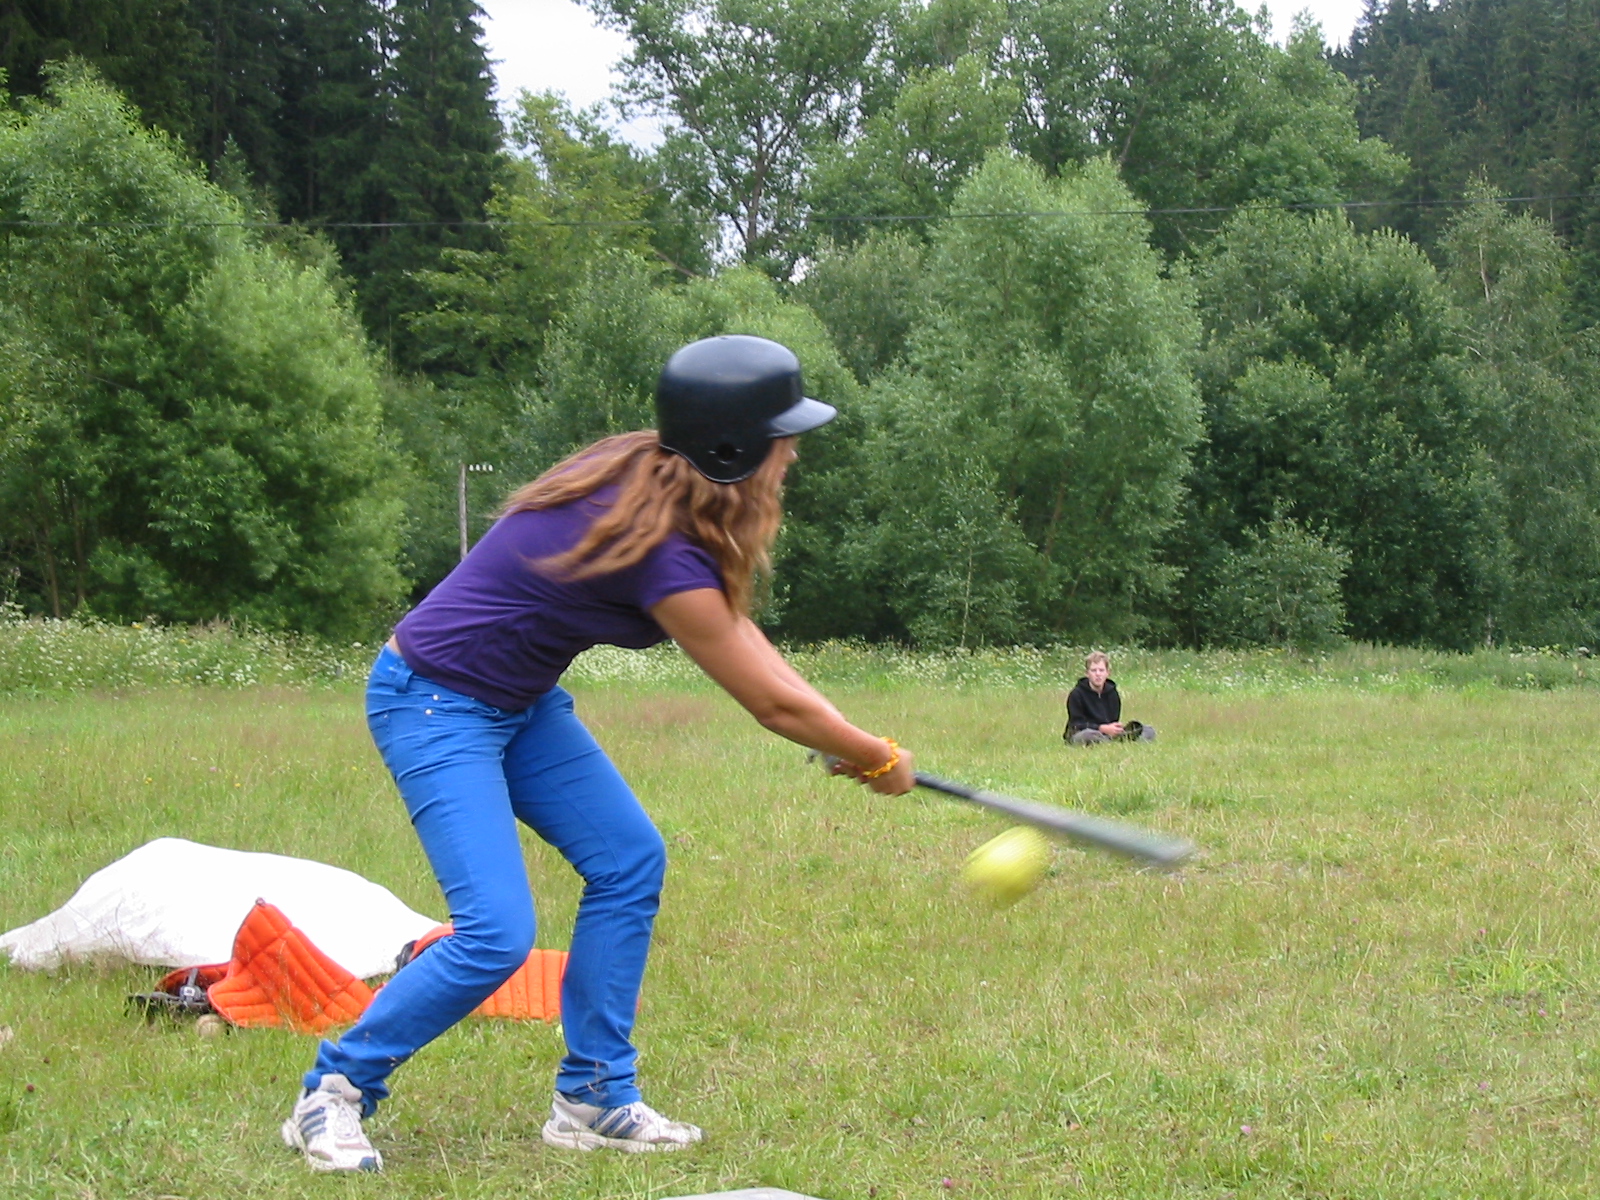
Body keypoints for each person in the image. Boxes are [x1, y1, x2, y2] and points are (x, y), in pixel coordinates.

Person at [280, 335, 917, 1172]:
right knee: (496, 935)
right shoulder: (657, 544)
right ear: (731, 451)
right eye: (781, 437)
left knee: (628, 859)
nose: (793, 453)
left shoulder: (653, 472)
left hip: (518, 701)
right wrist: (875, 756)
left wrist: (845, 736)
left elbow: (742, 640)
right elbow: (769, 702)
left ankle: (593, 1096)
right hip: (432, 700)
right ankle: (333, 1091)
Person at [1063, 651, 1155, 745]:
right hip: (1083, 733)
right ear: (1087, 673)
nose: (1098, 674)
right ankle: (1116, 741)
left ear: (1107, 673)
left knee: (1148, 730)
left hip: (1107, 734)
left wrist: (1114, 729)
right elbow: (1077, 724)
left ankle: (1119, 739)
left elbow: (1113, 720)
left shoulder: (1112, 693)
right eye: (1094, 670)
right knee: (1089, 735)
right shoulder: (1077, 694)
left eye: (1101, 670)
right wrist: (1101, 728)